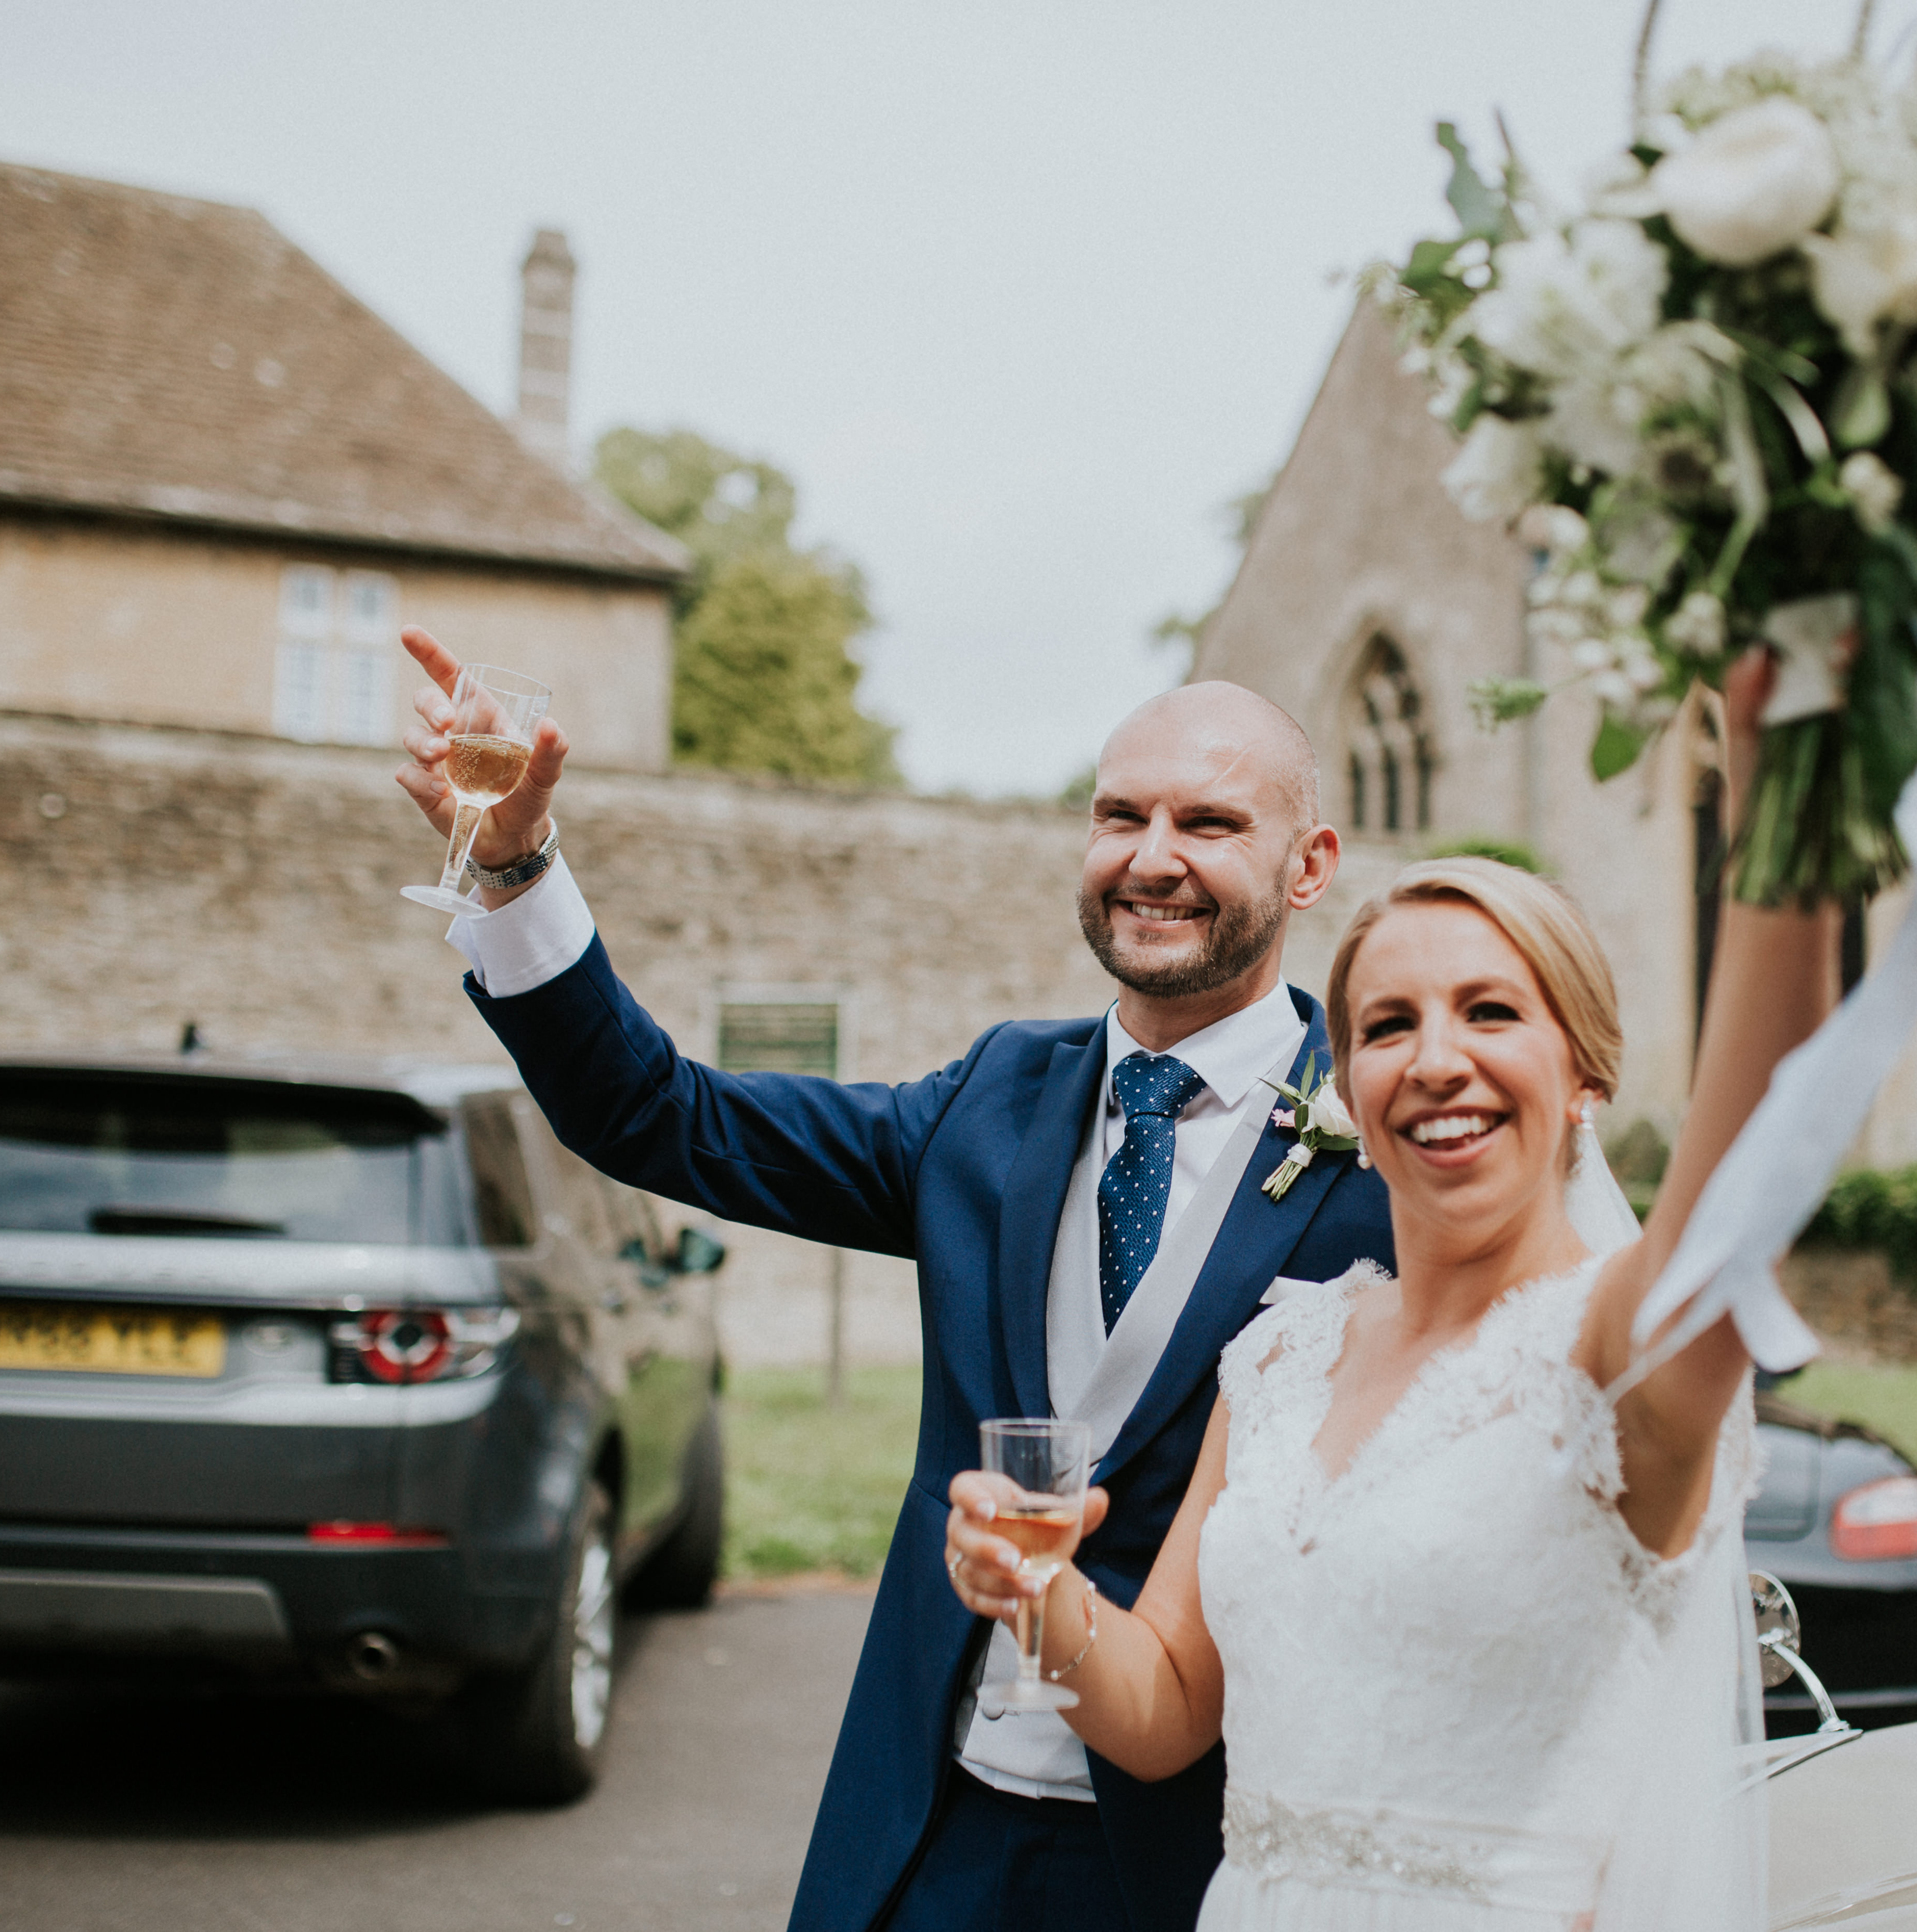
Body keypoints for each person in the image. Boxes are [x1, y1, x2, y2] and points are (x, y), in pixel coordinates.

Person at [390, 628, 1397, 1932]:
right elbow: (656, 1115)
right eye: (1118, 816)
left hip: (1207, 1857)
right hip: (932, 1825)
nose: (1151, 858)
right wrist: (514, 864)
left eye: (1207, 822)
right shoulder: (988, 1101)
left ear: (1307, 864)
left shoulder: (1383, 1151)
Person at [941, 649, 1835, 1929]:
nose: (1437, 1061)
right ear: (1345, 1088)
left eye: (1489, 1013)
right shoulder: (1279, 1356)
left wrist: (1780, 758)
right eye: (1389, 1025)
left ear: (1583, 1073)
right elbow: (1164, 1713)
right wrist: (1037, 1596)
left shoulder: (1617, 1352)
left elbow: (1760, 1155)